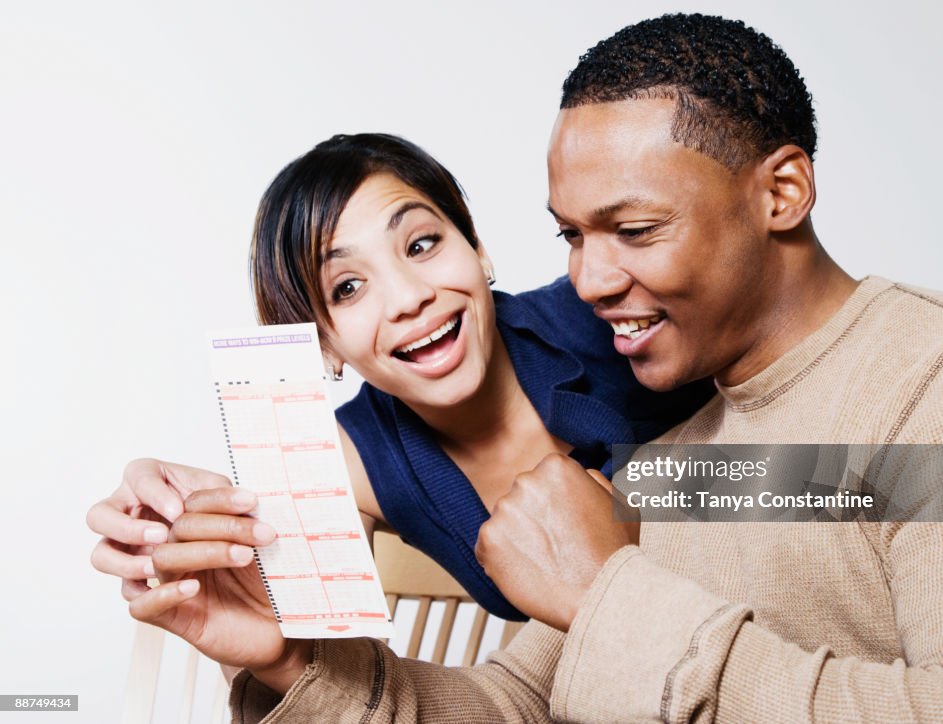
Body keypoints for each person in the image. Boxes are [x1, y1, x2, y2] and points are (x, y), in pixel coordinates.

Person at [108, 14, 943, 722]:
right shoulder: (684, 459)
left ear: (780, 192)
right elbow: (521, 705)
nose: (588, 280)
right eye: (572, 237)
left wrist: (609, 595)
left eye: (633, 231)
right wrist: (291, 662)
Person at [86, 133, 708, 622]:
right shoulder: (347, 462)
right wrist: (192, 527)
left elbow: (806, 473)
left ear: (478, 248)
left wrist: (636, 495)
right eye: (348, 287)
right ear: (323, 343)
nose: (409, 298)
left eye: (420, 245)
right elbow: (311, 661)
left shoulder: (604, 308)